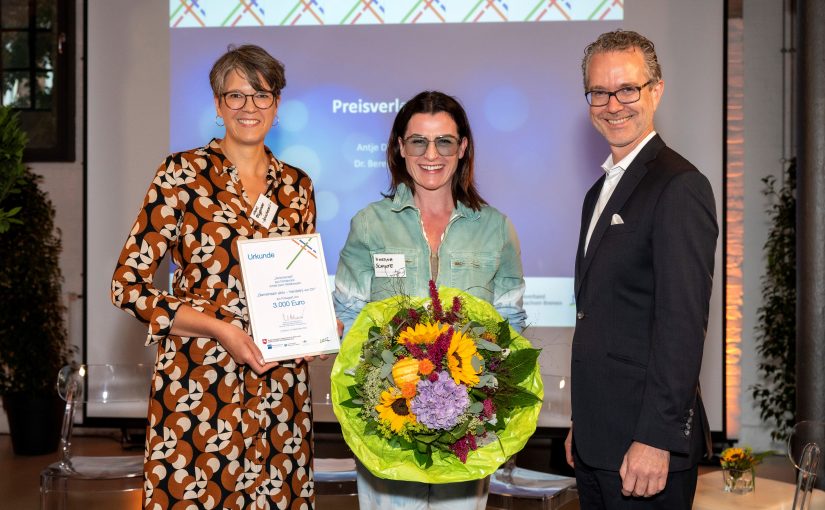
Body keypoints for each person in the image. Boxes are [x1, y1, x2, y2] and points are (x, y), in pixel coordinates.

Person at [111, 44, 320, 508]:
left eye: (262, 94)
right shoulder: (180, 174)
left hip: (278, 392)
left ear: (278, 104)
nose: (250, 107)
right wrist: (220, 329)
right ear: (217, 105)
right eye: (236, 96)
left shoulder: (297, 186)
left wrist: (316, 326)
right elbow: (127, 286)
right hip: (197, 388)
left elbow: (299, 282)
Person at [333, 90, 527, 509]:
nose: (431, 154)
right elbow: (346, 318)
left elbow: (511, 324)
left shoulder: (496, 228)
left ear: (463, 147)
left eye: (444, 141)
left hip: (466, 431)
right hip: (387, 424)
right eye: (418, 141)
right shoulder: (369, 224)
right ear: (400, 148)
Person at [564, 30, 718, 509]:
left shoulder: (680, 185)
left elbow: (682, 325)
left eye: (627, 89)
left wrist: (657, 439)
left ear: (656, 90)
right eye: (599, 92)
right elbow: (605, 314)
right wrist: (583, 422)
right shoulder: (599, 192)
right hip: (599, 441)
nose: (614, 105)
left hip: (645, 449)